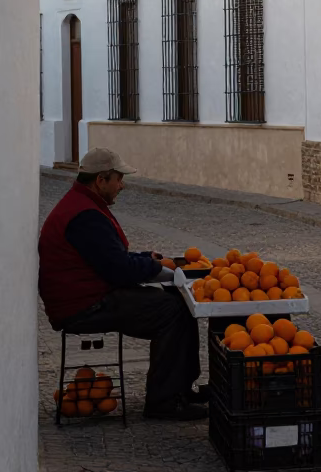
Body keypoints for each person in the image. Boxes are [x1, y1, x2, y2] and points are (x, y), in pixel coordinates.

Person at [38, 147, 206, 420]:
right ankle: (163, 402)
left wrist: (146, 259)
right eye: (118, 178)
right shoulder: (85, 214)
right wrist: (152, 266)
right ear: (101, 179)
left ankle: (180, 390)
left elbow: (108, 257)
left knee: (179, 301)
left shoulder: (83, 205)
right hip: (83, 305)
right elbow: (117, 269)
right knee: (171, 310)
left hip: (87, 294)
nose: (122, 185)